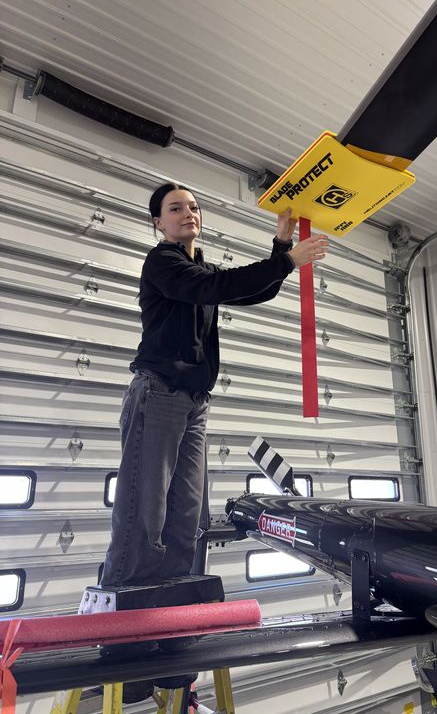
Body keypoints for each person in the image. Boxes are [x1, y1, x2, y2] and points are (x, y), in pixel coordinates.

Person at [101, 182, 328, 590]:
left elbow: (257, 290)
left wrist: (281, 244)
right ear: (158, 223)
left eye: (193, 207)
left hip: (194, 402)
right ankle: (123, 595)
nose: (188, 213)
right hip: (159, 392)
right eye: (175, 208)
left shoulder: (201, 270)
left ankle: (175, 595)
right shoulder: (163, 262)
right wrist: (288, 259)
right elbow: (216, 288)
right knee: (145, 506)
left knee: (187, 510)